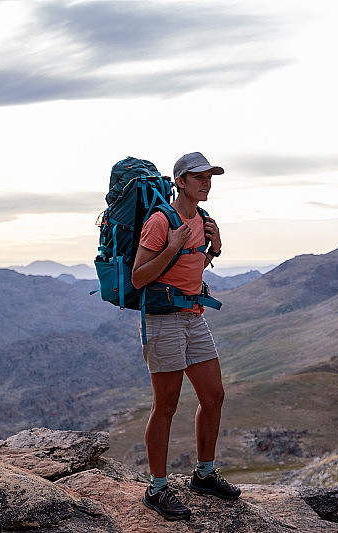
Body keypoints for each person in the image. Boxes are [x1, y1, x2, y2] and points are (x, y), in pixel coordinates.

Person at [132, 152, 241, 521]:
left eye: (210, 177)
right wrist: (172, 246)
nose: (206, 183)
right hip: (163, 321)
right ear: (180, 181)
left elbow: (190, 267)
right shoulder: (160, 221)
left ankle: (204, 475)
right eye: (199, 177)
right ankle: (156, 489)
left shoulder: (204, 219)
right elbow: (139, 277)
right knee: (166, 405)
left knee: (213, 396)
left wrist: (215, 250)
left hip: (193, 317)